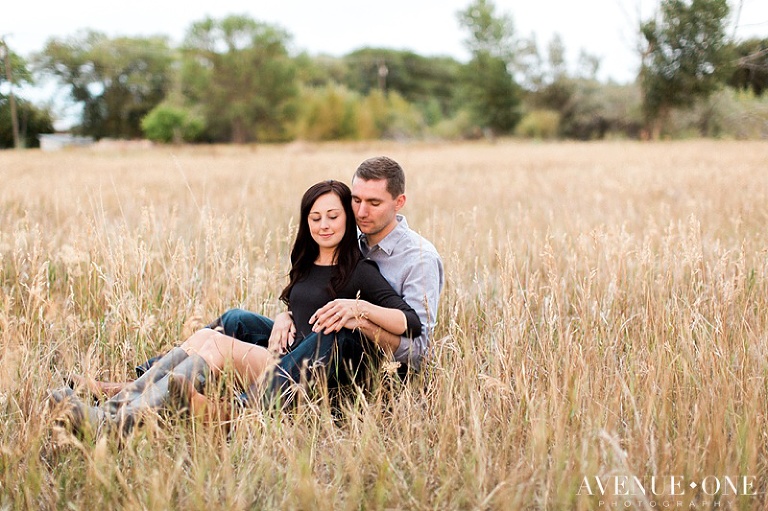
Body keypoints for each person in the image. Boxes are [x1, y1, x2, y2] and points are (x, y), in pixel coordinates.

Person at [51, 179, 424, 436]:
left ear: (347, 218)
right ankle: (129, 395)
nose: (324, 225)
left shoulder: (360, 269)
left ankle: (122, 419)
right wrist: (285, 315)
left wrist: (358, 310)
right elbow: (303, 305)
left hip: (317, 383)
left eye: (333, 216)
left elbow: (411, 323)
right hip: (290, 359)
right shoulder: (307, 262)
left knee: (211, 342)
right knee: (234, 320)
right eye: (315, 218)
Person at [171, 155, 445, 418]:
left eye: (374, 202)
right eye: (357, 200)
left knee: (334, 333)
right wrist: (288, 315)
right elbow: (322, 291)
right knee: (236, 320)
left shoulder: (419, 258)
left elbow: (417, 348)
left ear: (399, 202)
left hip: (371, 371)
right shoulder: (350, 236)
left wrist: (359, 318)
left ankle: (241, 412)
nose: (362, 212)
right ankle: (148, 388)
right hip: (319, 345)